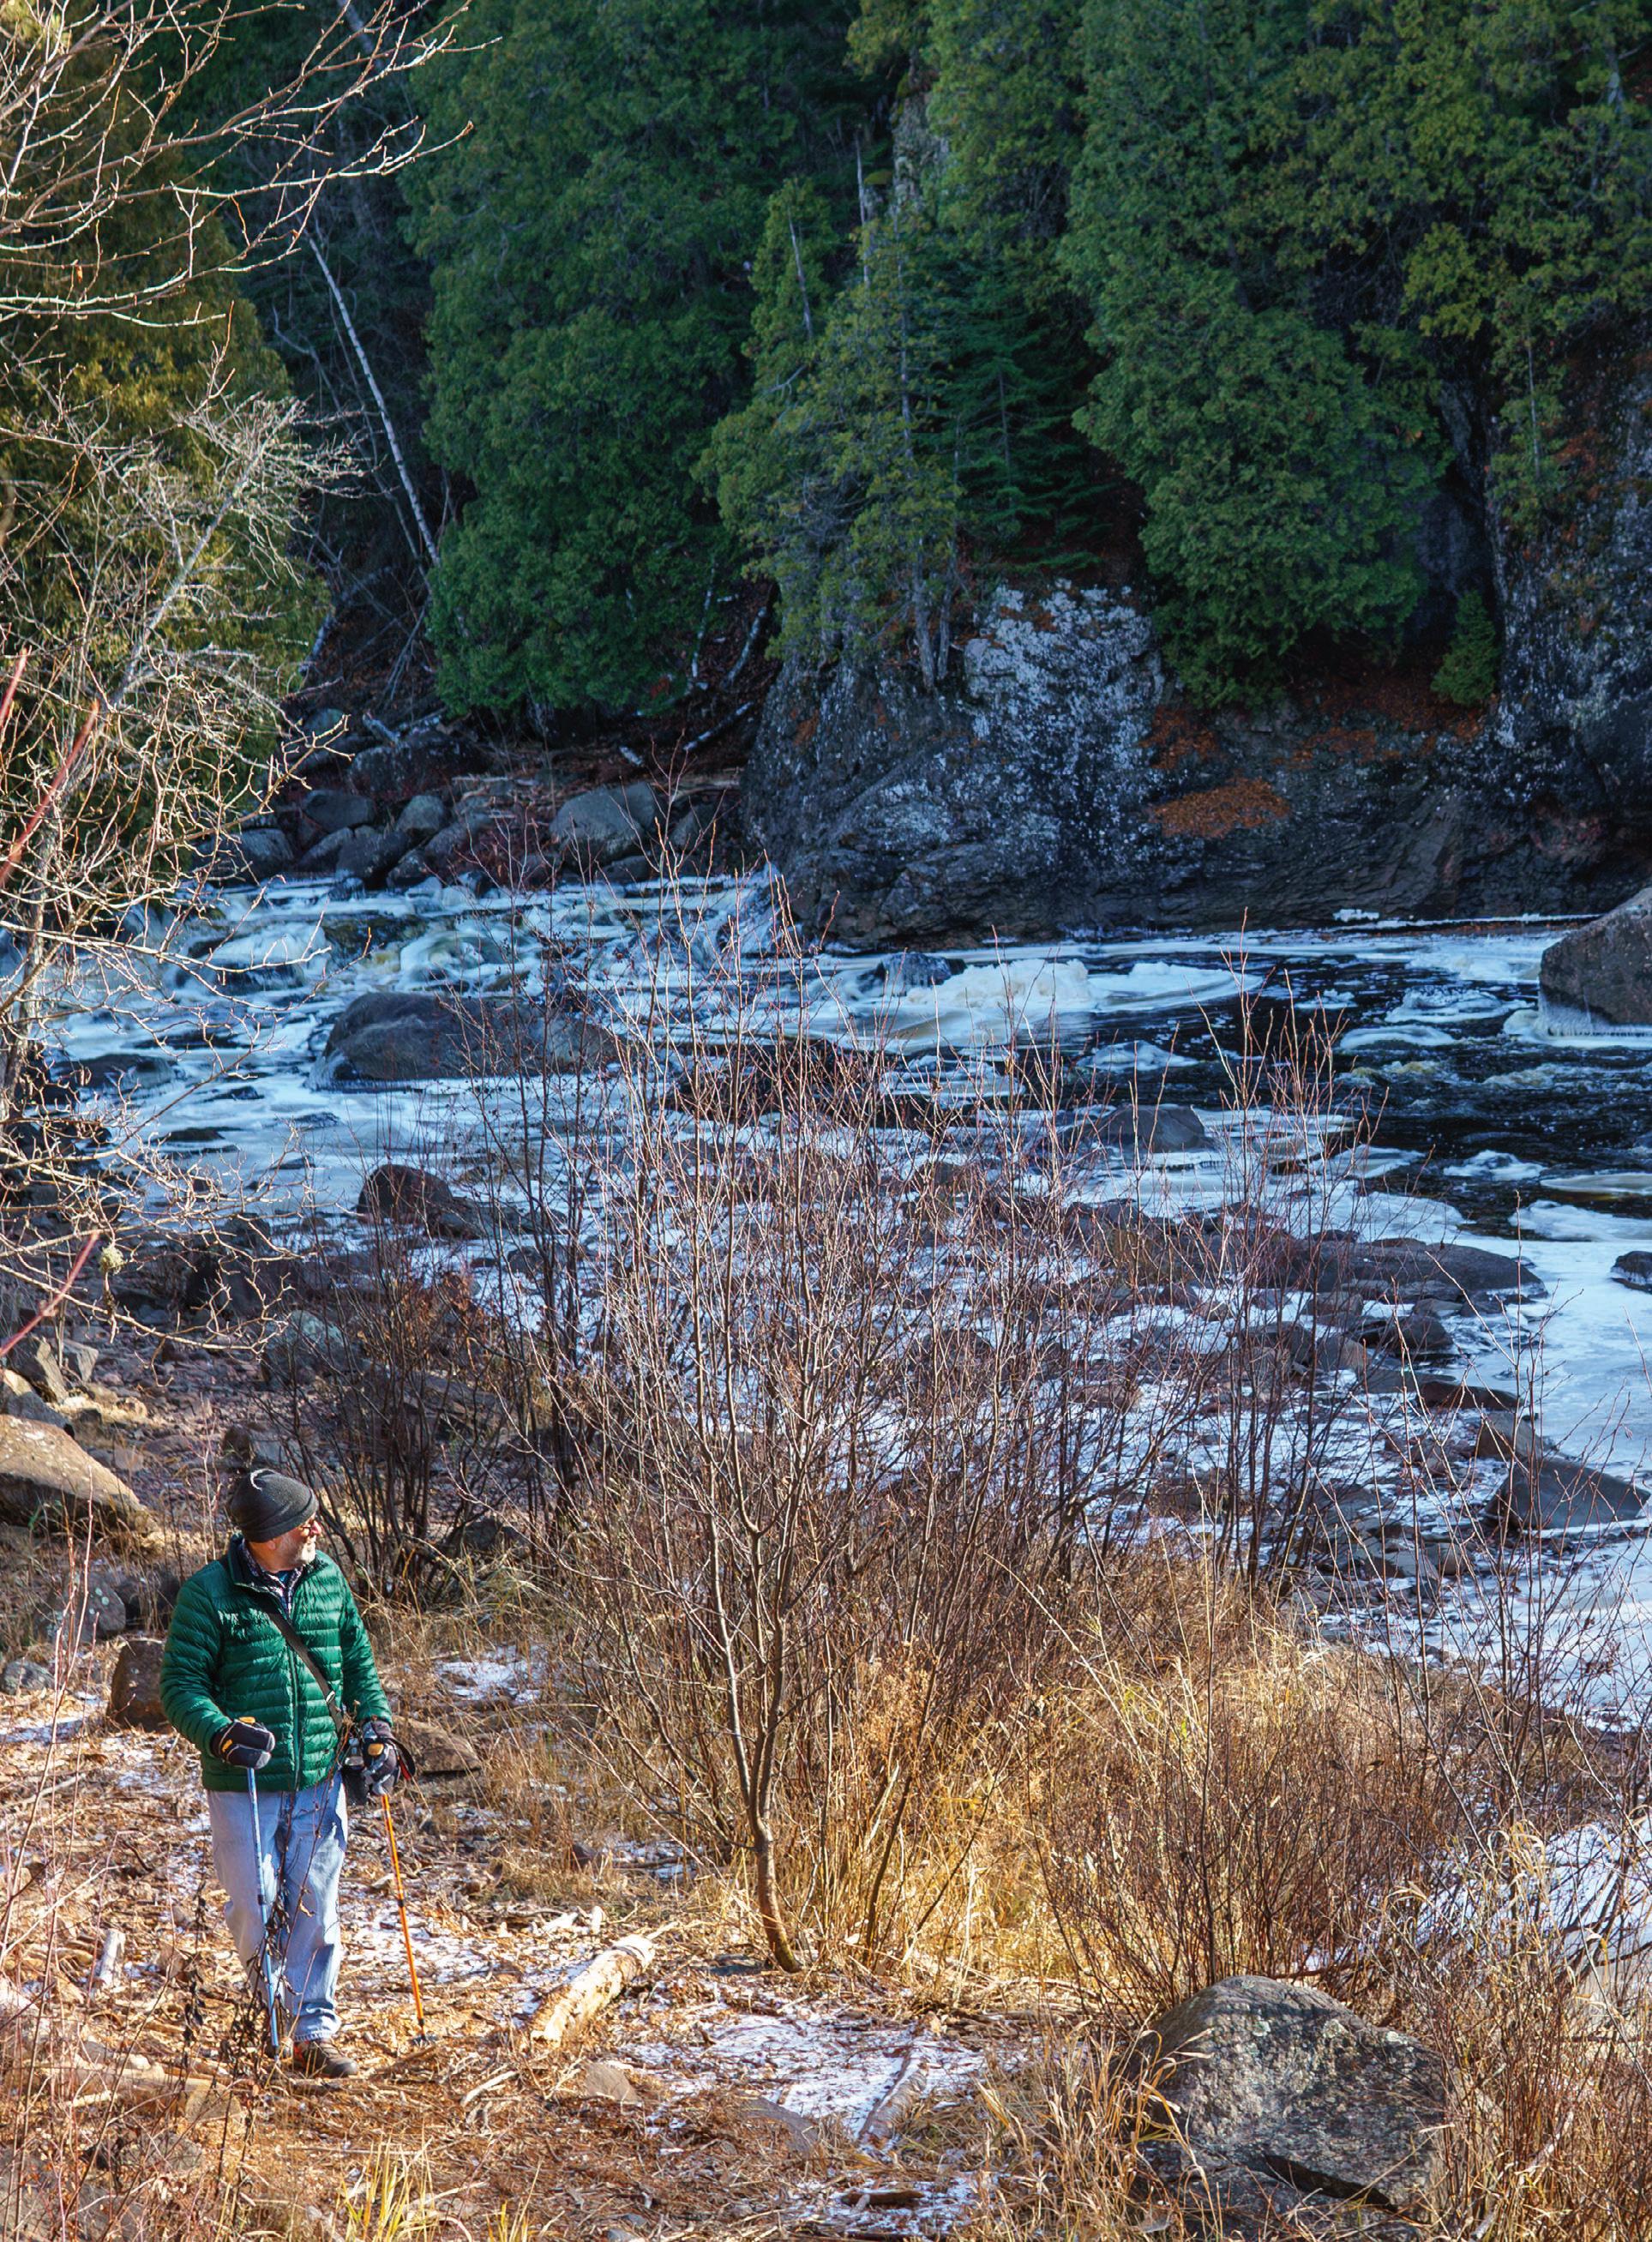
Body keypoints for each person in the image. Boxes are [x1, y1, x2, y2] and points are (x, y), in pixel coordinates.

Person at [159, 1467, 404, 2081]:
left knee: (316, 1905)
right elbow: (180, 1686)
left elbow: (357, 1663)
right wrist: (220, 1731)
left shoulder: (327, 1579)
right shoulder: (209, 1594)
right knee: (255, 1902)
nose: (315, 1529)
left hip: (320, 1773)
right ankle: (267, 2019)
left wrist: (377, 1727)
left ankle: (310, 2033)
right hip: (243, 1785)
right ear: (270, 1535)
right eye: (303, 1523)